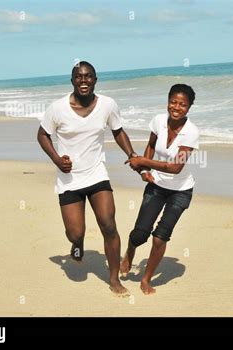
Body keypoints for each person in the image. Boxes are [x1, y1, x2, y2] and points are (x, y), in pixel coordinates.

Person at [37, 61, 139, 296]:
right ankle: (77, 243)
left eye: (88, 76)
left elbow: (118, 130)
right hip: (69, 179)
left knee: (109, 225)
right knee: (75, 232)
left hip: (96, 174)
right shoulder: (57, 108)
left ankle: (113, 280)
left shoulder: (107, 105)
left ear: (95, 79)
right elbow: (43, 134)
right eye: (79, 77)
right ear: (72, 80)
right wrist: (56, 159)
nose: (84, 81)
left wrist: (132, 155)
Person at [122, 83, 199, 295]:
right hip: (156, 185)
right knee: (140, 234)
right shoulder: (158, 121)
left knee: (160, 236)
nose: (176, 107)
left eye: (182, 104)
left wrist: (142, 160)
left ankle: (146, 279)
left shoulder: (191, 132)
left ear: (189, 107)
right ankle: (130, 252)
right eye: (173, 102)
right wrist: (143, 170)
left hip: (181, 190)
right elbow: (151, 145)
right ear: (167, 102)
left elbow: (175, 167)